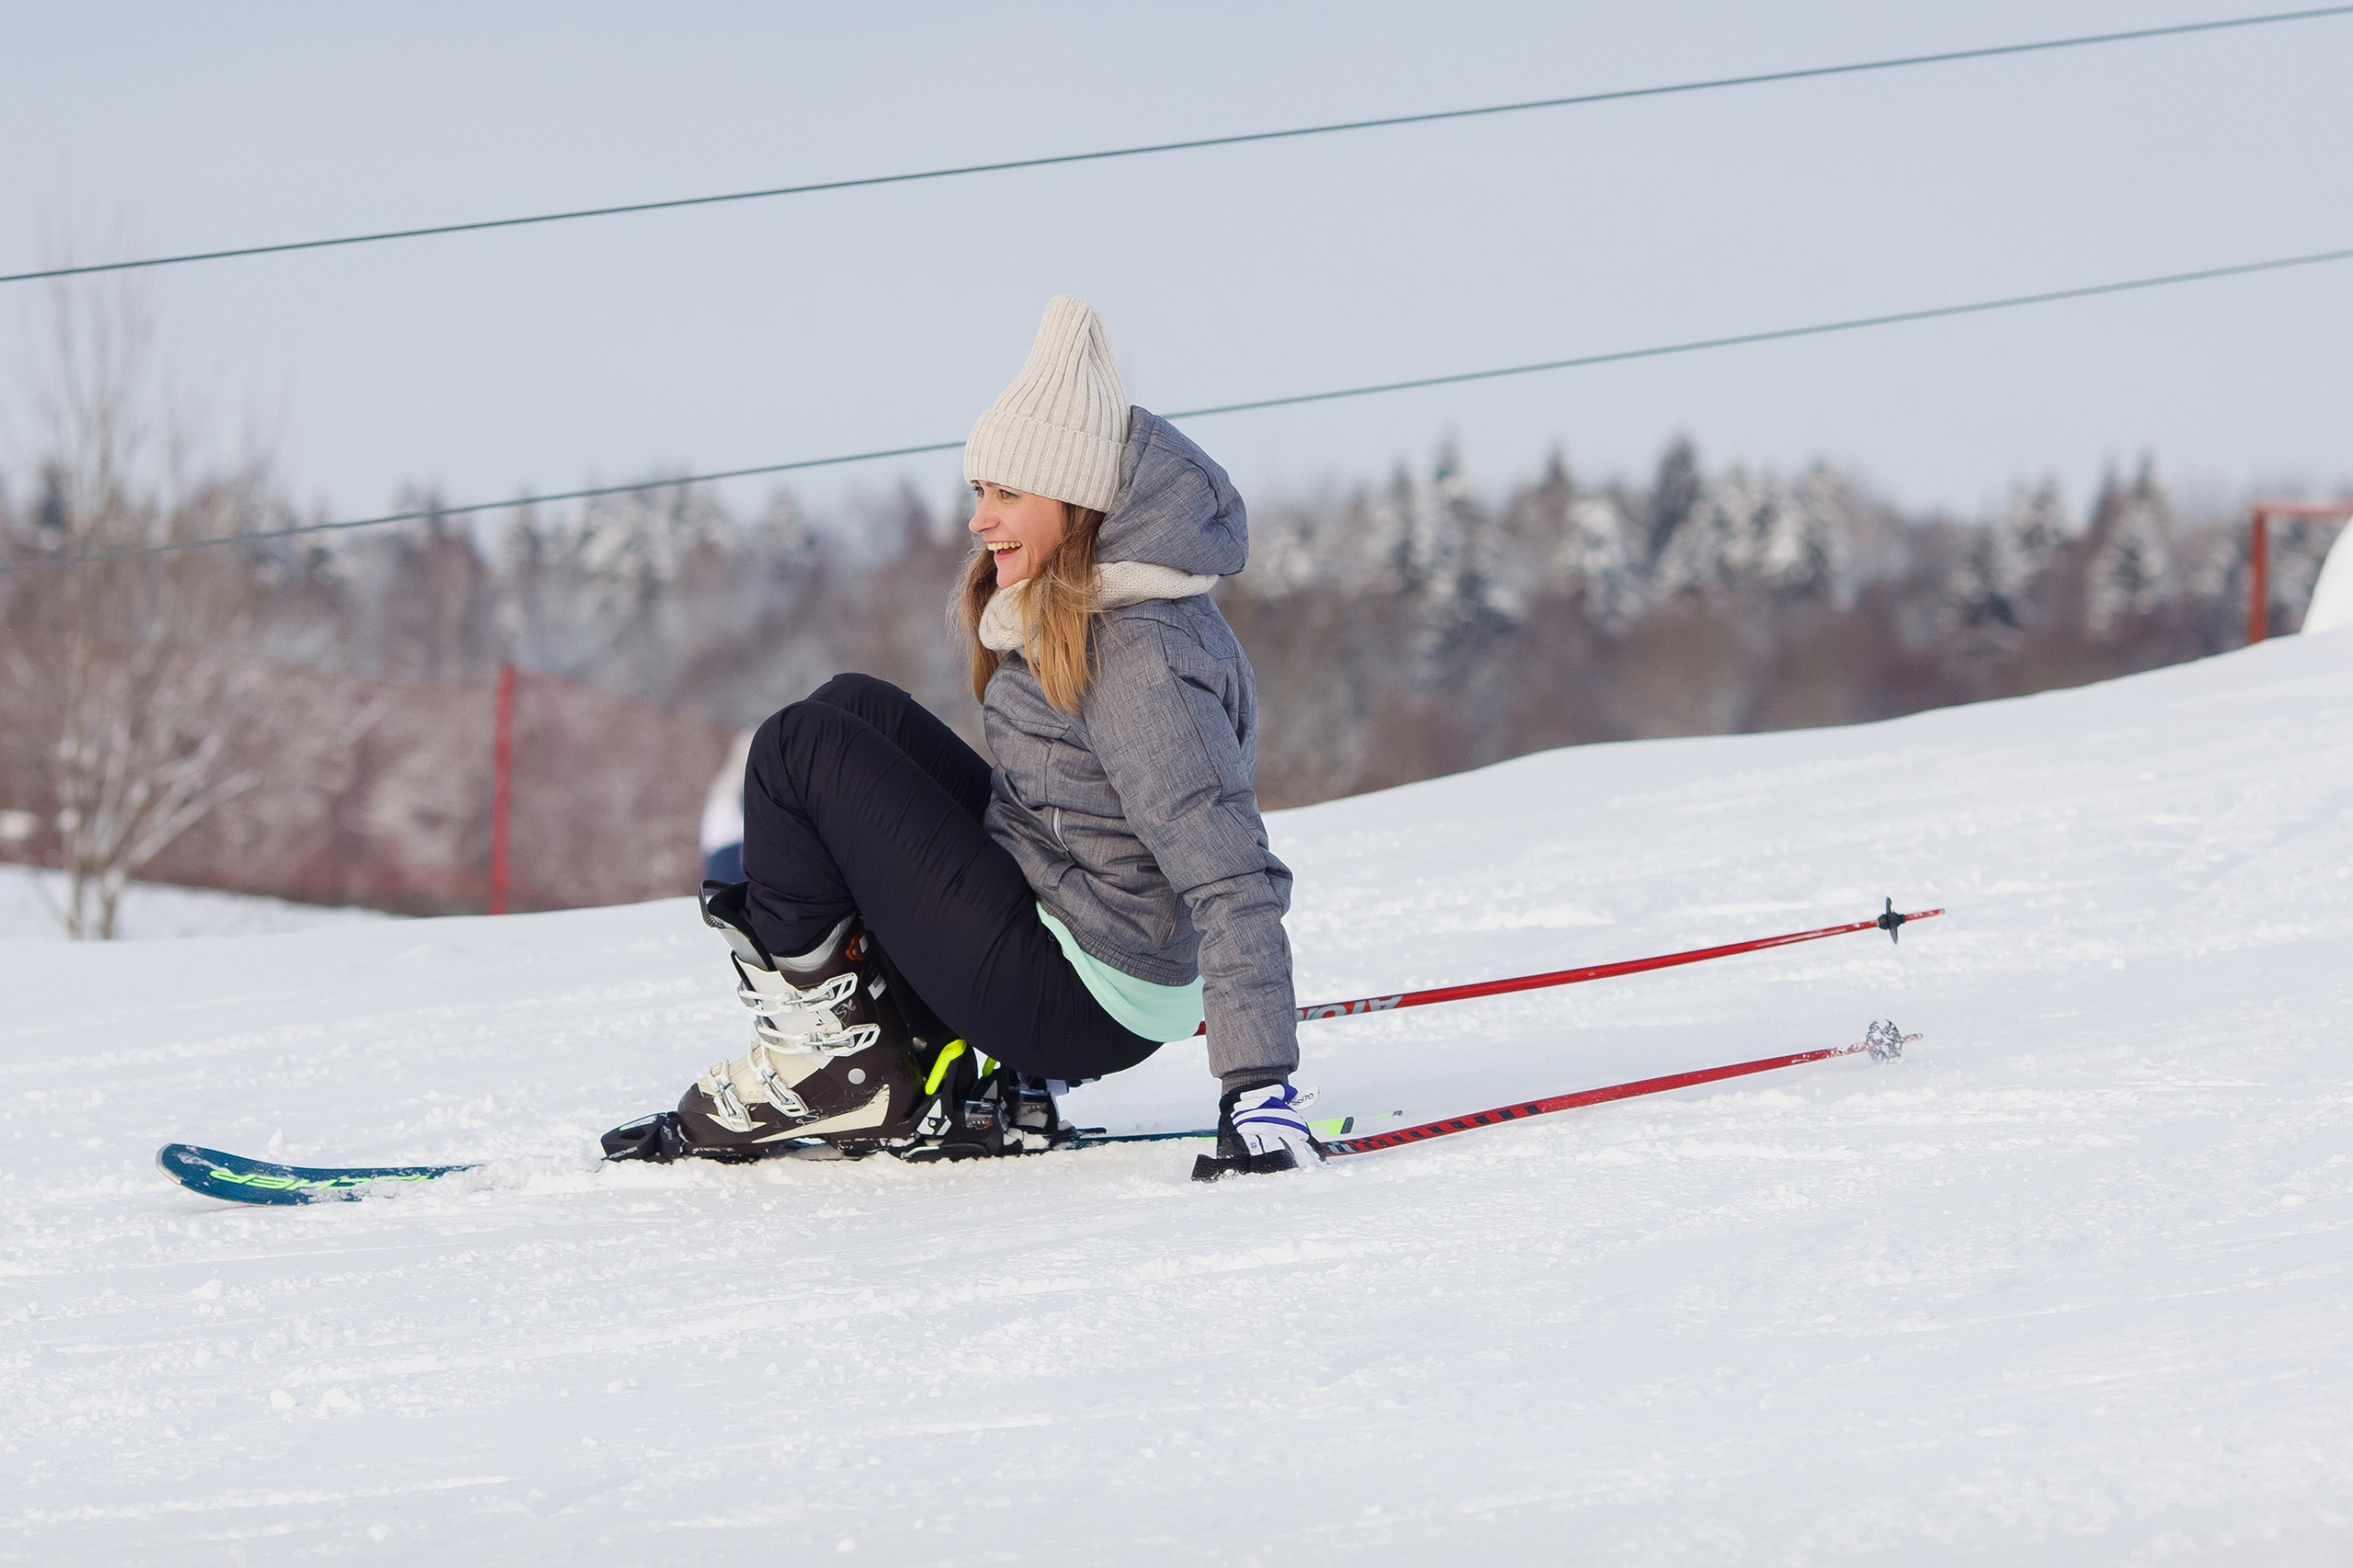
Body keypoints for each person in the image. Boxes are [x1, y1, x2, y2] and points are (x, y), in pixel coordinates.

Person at [605, 296, 1316, 1178]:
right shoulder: (1096, 607)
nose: (980, 520)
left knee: (798, 749)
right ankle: (905, 1052)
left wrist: (1258, 1088)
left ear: (1077, 502)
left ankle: (831, 1062)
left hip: (1084, 991)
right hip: (1067, 933)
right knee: (854, 709)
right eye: (980, 492)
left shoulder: (1143, 655)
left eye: (1008, 493)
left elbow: (1231, 871)